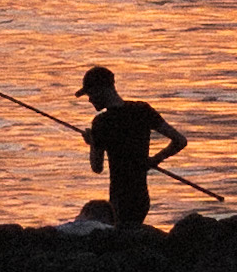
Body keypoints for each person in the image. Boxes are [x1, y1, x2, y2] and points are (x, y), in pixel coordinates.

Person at [75, 63, 188, 227]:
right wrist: (154, 160)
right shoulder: (142, 110)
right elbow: (180, 141)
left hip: (119, 199)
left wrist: (92, 143)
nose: (90, 98)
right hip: (142, 198)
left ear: (102, 89)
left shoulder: (102, 122)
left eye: (90, 93)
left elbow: (97, 167)